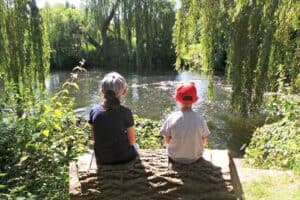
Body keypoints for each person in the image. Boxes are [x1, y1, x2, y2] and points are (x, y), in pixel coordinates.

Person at [88, 72, 139, 166]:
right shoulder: (126, 112)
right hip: (125, 158)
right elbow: (132, 141)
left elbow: (94, 137)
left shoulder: (94, 110)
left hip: (102, 159)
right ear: (124, 92)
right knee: (136, 146)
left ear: (102, 91)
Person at [160, 82, 210, 164]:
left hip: (175, 157)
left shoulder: (171, 118)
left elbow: (167, 141)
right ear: (195, 100)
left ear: (177, 99)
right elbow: (204, 141)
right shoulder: (200, 119)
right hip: (195, 157)